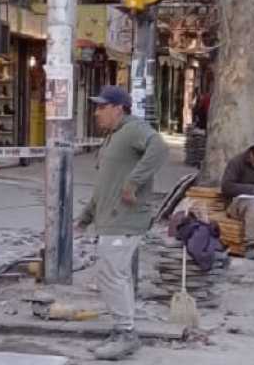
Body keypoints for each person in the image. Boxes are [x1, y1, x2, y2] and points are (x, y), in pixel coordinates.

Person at [76, 86, 169, 361]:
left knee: (112, 276)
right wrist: (85, 218)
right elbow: (104, 187)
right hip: (109, 219)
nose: (97, 112)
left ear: (119, 108)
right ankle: (123, 331)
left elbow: (160, 148)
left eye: (102, 107)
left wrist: (134, 182)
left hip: (124, 220)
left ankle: (126, 334)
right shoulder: (114, 137)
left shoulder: (134, 129)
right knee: (117, 276)